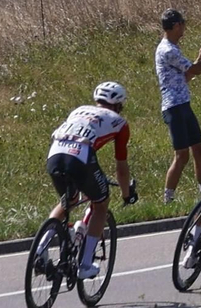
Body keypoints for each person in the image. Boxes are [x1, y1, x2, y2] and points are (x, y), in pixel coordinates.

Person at [44, 82, 137, 279]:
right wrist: (126, 193)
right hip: (79, 157)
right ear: (119, 105)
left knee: (68, 200)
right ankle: (85, 264)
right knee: (101, 203)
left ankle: (40, 249)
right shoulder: (119, 122)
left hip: (54, 153)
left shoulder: (79, 110)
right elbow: (121, 166)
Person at [155, 8, 201, 204]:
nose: (185, 29)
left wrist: (200, 57)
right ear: (176, 26)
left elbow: (187, 75)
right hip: (174, 107)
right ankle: (168, 198)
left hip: (183, 104)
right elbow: (196, 71)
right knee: (182, 155)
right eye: (183, 24)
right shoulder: (168, 50)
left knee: (198, 149)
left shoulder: (173, 48)